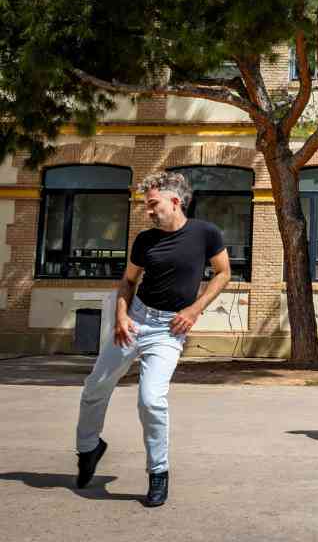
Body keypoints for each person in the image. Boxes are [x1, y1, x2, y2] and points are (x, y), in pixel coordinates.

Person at [74, 172, 231, 507]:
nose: (147, 211)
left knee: (151, 400)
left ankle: (158, 472)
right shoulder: (144, 240)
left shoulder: (206, 234)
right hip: (135, 320)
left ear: (174, 202)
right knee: (95, 387)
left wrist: (195, 309)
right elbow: (128, 281)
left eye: (152, 204)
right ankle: (88, 448)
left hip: (168, 330)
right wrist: (121, 315)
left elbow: (224, 272)